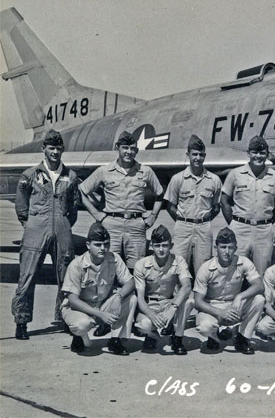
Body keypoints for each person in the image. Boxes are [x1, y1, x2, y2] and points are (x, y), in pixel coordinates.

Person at [12, 129, 79, 340]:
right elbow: (21, 205)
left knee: (67, 276)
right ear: (44, 149)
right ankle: (21, 321)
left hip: (61, 228)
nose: (55, 152)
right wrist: (30, 223)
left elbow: (74, 207)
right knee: (27, 276)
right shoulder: (30, 175)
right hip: (36, 229)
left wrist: (64, 224)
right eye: (51, 148)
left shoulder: (71, 176)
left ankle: (65, 317)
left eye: (59, 148)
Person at [79, 131, 164, 271]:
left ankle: (133, 293)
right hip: (111, 225)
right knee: (108, 265)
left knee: (137, 268)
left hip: (136, 225)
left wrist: (153, 216)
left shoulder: (145, 171)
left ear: (136, 150)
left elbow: (160, 193)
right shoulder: (104, 171)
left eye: (132, 148)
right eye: (125, 148)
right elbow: (82, 190)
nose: (128, 152)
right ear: (117, 148)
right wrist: (97, 215)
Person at [165, 135, 222, 322]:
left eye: (201, 154)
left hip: (203, 228)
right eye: (194, 154)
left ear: (205, 156)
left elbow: (216, 206)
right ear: (188, 155)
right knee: (178, 267)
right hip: (182, 226)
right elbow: (170, 205)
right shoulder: (178, 179)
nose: (197, 158)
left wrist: (203, 221)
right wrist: (183, 221)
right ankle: (176, 308)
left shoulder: (213, 180)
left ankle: (201, 308)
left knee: (203, 269)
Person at [61, 223, 137, 355]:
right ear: (88, 245)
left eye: (106, 244)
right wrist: (101, 315)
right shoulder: (76, 265)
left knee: (131, 299)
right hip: (79, 308)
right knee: (81, 325)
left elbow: (130, 282)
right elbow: (73, 300)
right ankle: (79, 337)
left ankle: (115, 339)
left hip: (102, 304)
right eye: (98, 245)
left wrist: (118, 297)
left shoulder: (114, 259)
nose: (103, 248)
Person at [193, 227, 265, 355]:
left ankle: (243, 338)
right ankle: (214, 337)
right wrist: (220, 312)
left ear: (236, 248)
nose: (227, 251)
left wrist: (240, 297)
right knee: (205, 327)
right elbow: (198, 301)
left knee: (259, 299)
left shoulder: (243, 262)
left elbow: (259, 285)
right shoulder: (206, 268)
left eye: (230, 247)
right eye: (223, 247)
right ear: (216, 248)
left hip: (234, 305)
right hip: (213, 307)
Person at [221, 135, 275, 276]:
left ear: (267, 154)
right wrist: (232, 223)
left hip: (264, 231)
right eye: (255, 152)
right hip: (240, 229)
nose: (258, 156)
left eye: (262, 153)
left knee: (262, 271)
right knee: (234, 269)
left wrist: (269, 221)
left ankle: (259, 298)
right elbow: (224, 200)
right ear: (248, 153)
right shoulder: (235, 174)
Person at [134, 225, 192, 355]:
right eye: (157, 245)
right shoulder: (141, 264)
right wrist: (152, 315)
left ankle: (177, 338)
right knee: (144, 325)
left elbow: (187, 286)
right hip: (150, 304)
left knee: (188, 301)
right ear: (151, 246)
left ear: (171, 246)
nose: (161, 249)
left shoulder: (179, 260)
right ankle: (152, 336)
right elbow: (140, 298)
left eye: (165, 245)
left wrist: (172, 309)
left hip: (169, 302)